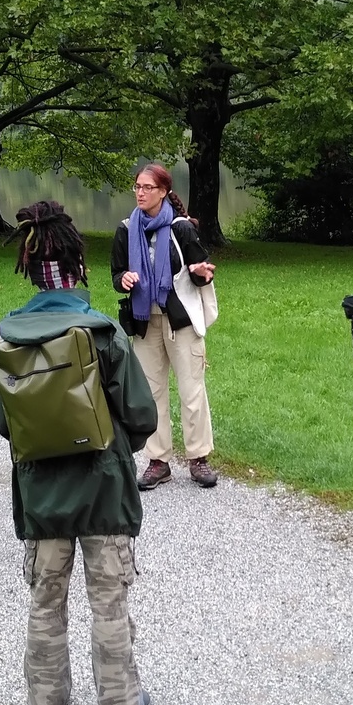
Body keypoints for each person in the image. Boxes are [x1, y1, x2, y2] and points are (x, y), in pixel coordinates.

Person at [0, 200, 157, 705]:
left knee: (45, 599)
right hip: (103, 488)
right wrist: (114, 448)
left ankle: (45, 704)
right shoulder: (102, 332)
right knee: (109, 601)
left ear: (30, 269)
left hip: (41, 494)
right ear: (78, 266)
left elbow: (5, 422)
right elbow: (141, 415)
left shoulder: (9, 338)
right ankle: (117, 704)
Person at [111, 164, 218, 490]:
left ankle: (198, 458)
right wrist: (123, 279)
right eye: (137, 187)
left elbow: (201, 270)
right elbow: (117, 274)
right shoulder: (126, 229)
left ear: (163, 192)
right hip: (145, 322)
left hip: (180, 322)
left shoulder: (181, 228)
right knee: (151, 393)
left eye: (147, 187)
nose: (140, 193)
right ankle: (158, 461)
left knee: (191, 391)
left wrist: (201, 272)